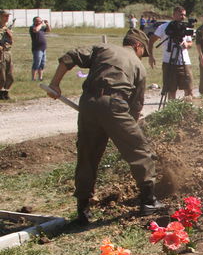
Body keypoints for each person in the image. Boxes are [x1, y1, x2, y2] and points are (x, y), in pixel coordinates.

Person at [46, 29, 163, 224]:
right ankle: (148, 201)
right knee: (140, 151)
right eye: (144, 52)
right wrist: (125, 135)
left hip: (88, 104)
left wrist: (55, 84)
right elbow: (134, 109)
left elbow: (69, 57)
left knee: (88, 156)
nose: (142, 56)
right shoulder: (138, 67)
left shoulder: (103, 48)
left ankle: (83, 210)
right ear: (138, 46)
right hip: (115, 105)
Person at [148, 6, 194, 101]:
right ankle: (171, 111)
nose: (183, 17)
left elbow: (191, 43)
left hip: (184, 62)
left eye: (184, 15)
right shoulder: (164, 27)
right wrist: (151, 56)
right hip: (169, 62)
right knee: (171, 90)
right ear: (174, 15)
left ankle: (188, 110)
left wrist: (186, 44)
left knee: (189, 89)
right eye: (180, 14)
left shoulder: (185, 27)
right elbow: (151, 41)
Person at [29, 16, 50, 82]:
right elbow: (36, 30)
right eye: (38, 21)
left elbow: (48, 30)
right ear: (34, 21)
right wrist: (41, 24)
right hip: (37, 48)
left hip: (43, 48)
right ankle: (33, 78)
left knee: (42, 63)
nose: (40, 22)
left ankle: (40, 77)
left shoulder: (41, 28)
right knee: (37, 63)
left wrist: (47, 24)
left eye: (40, 21)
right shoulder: (32, 27)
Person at [0, 10, 14, 100]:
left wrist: (10, 36)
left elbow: (11, 42)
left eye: (8, 16)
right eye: (5, 16)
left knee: (10, 75)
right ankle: (1, 93)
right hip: (1, 53)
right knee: (1, 75)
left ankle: (6, 92)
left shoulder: (7, 28)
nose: (7, 17)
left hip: (8, 52)